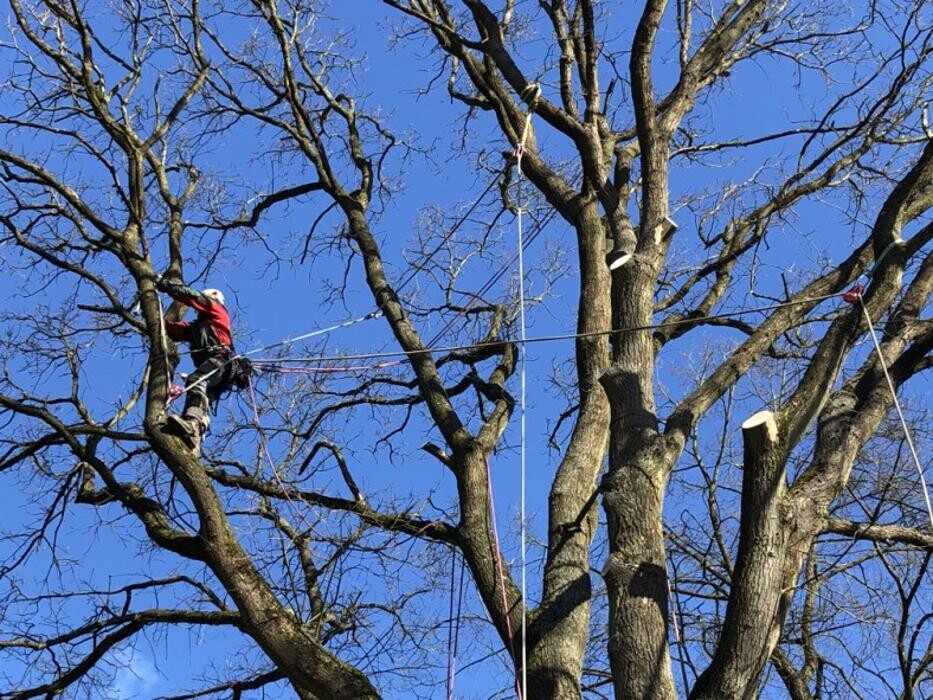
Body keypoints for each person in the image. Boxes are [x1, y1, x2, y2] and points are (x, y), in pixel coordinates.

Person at [155, 276, 233, 453]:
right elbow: (174, 330)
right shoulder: (196, 327)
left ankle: (191, 426)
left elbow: (192, 297)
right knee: (199, 399)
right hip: (216, 371)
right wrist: (152, 311)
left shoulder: (216, 309)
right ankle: (193, 437)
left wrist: (165, 284)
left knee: (195, 380)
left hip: (220, 361)